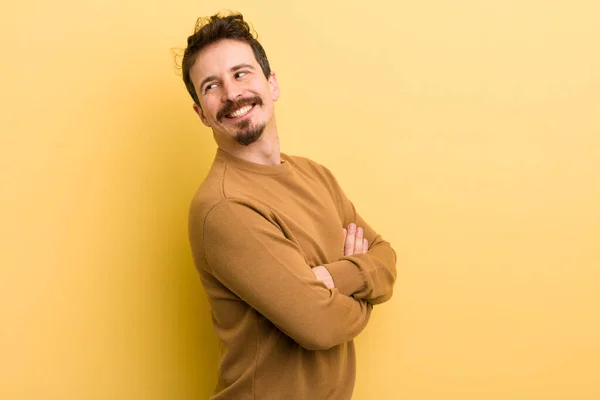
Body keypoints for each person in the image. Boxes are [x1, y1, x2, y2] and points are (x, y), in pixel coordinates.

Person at [182, 11, 397, 400]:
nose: (231, 94)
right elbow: (320, 328)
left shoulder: (315, 175)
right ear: (201, 113)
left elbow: (387, 259)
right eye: (212, 86)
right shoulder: (224, 206)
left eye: (241, 73)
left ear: (272, 84)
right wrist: (364, 290)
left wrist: (334, 279)